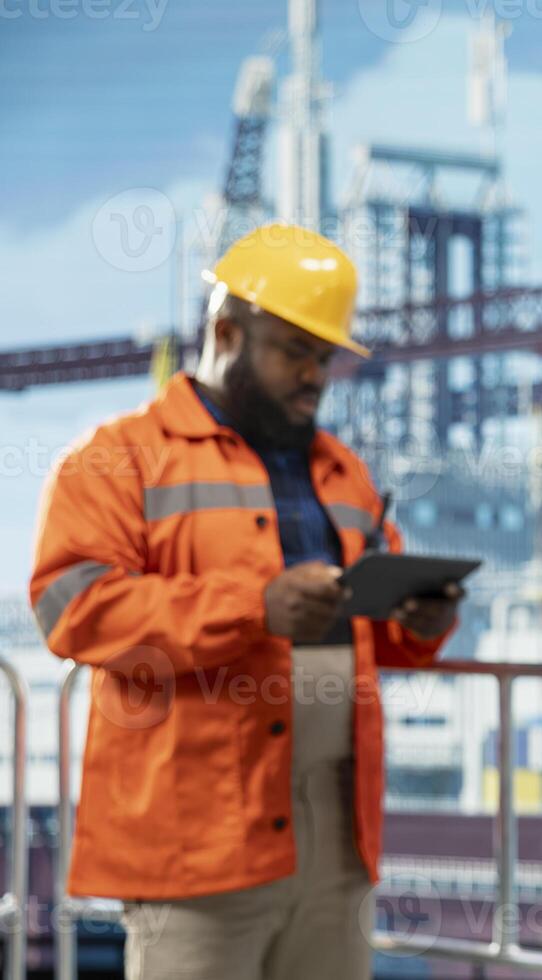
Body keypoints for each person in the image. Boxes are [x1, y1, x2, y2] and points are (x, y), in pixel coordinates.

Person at [30, 223, 463, 979]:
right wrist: (252, 608)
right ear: (226, 333)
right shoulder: (119, 458)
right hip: (193, 834)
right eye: (294, 351)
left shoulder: (343, 473)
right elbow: (74, 610)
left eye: (324, 357)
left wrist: (421, 620)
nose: (313, 375)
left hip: (336, 831)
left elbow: (375, 633)